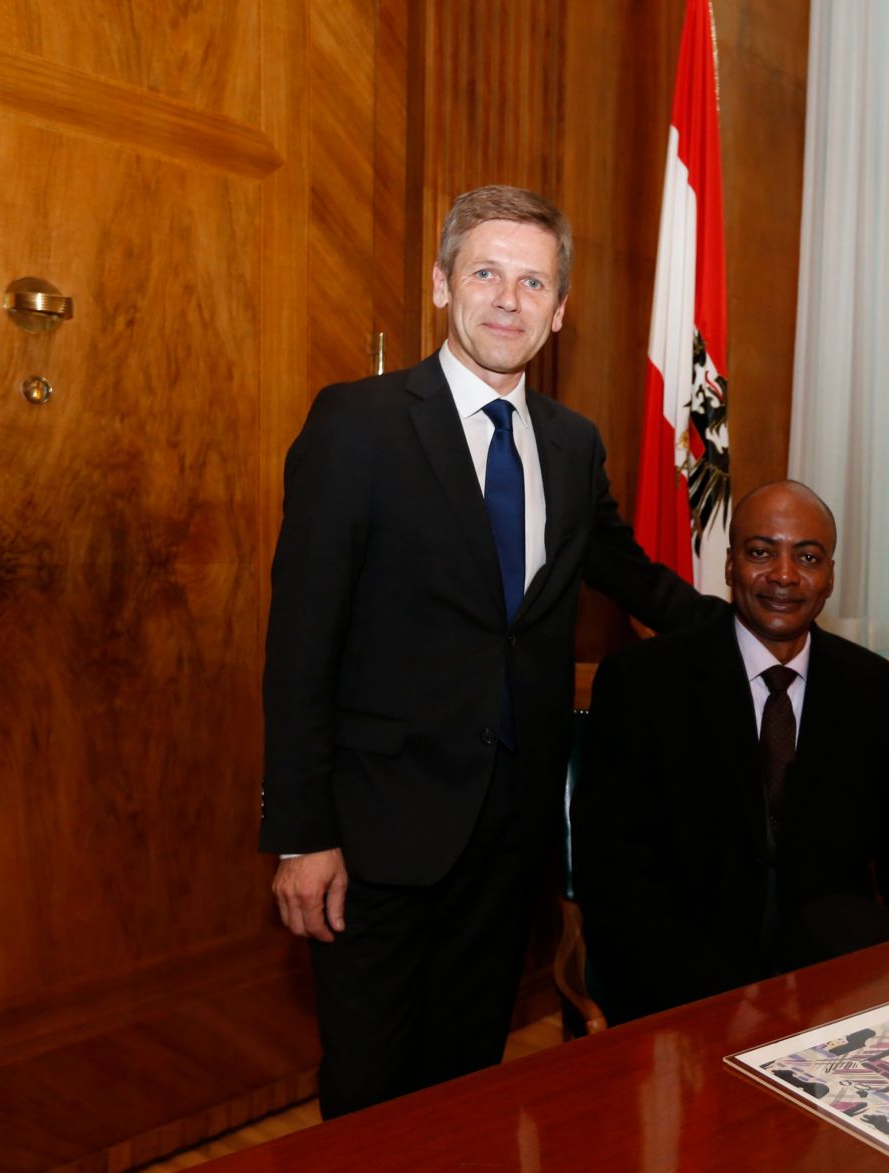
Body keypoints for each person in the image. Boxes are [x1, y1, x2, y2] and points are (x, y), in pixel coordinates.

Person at [259, 185, 719, 1117]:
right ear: (440, 285)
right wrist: (303, 832)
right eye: (485, 273)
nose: (508, 299)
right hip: (377, 835)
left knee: (465, 1083)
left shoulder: (572, 443)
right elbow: (299, 644)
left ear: (560, 309)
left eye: (533, 281)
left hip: (511, 836)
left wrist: (749, 628)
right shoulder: (358, 425)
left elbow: (623, 570)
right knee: (370, 1095)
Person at [572, 480, 889, 1024]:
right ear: (731, 565)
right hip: (676, 992)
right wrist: (720, 1006)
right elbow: (616, 876)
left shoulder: (875, 690)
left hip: (831, 992)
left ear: (830, 576)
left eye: (807, 557)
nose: (784, 575)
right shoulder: (644, 683)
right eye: (761, 552)